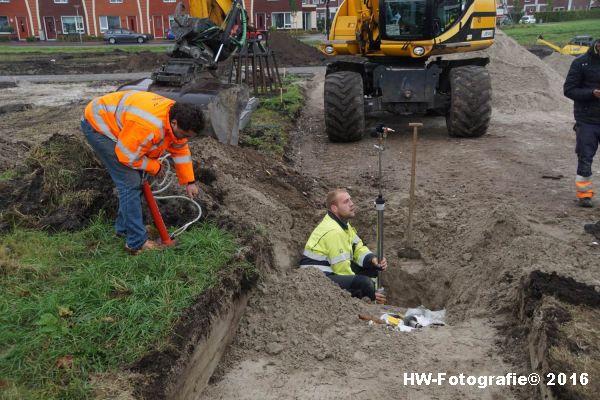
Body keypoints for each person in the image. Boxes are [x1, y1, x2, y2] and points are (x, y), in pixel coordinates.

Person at [81, 90, 203, 254]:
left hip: (126, 128)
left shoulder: (174, 120)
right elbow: (127, 156)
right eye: (184, 134)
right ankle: (136, 243)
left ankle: (124, 230)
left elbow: (180, 149)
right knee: (130, 183)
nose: (184, 138)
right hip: (99, 126)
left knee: (136, 179)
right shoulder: (149, 127)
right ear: (174, 123)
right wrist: (154, 166)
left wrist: (189, 181)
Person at [300, 189, 387, 302]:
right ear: (334, 208)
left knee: (373, 269)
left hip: (330, 269)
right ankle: (369, 302)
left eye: (350, 200)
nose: (351, 204)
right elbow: (342, 270)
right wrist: (368, 290)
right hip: (316, 278)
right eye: (346, 202)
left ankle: (372, 297)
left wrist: (372, 260)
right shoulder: (334, 231)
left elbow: (358, 247)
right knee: (364, 283)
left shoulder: (343, 224)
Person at [563, 39, 600, 209]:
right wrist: (592, 93)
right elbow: (569, 90)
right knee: (585, 157)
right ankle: (584, 195)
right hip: (587, 120)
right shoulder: (580, 63)